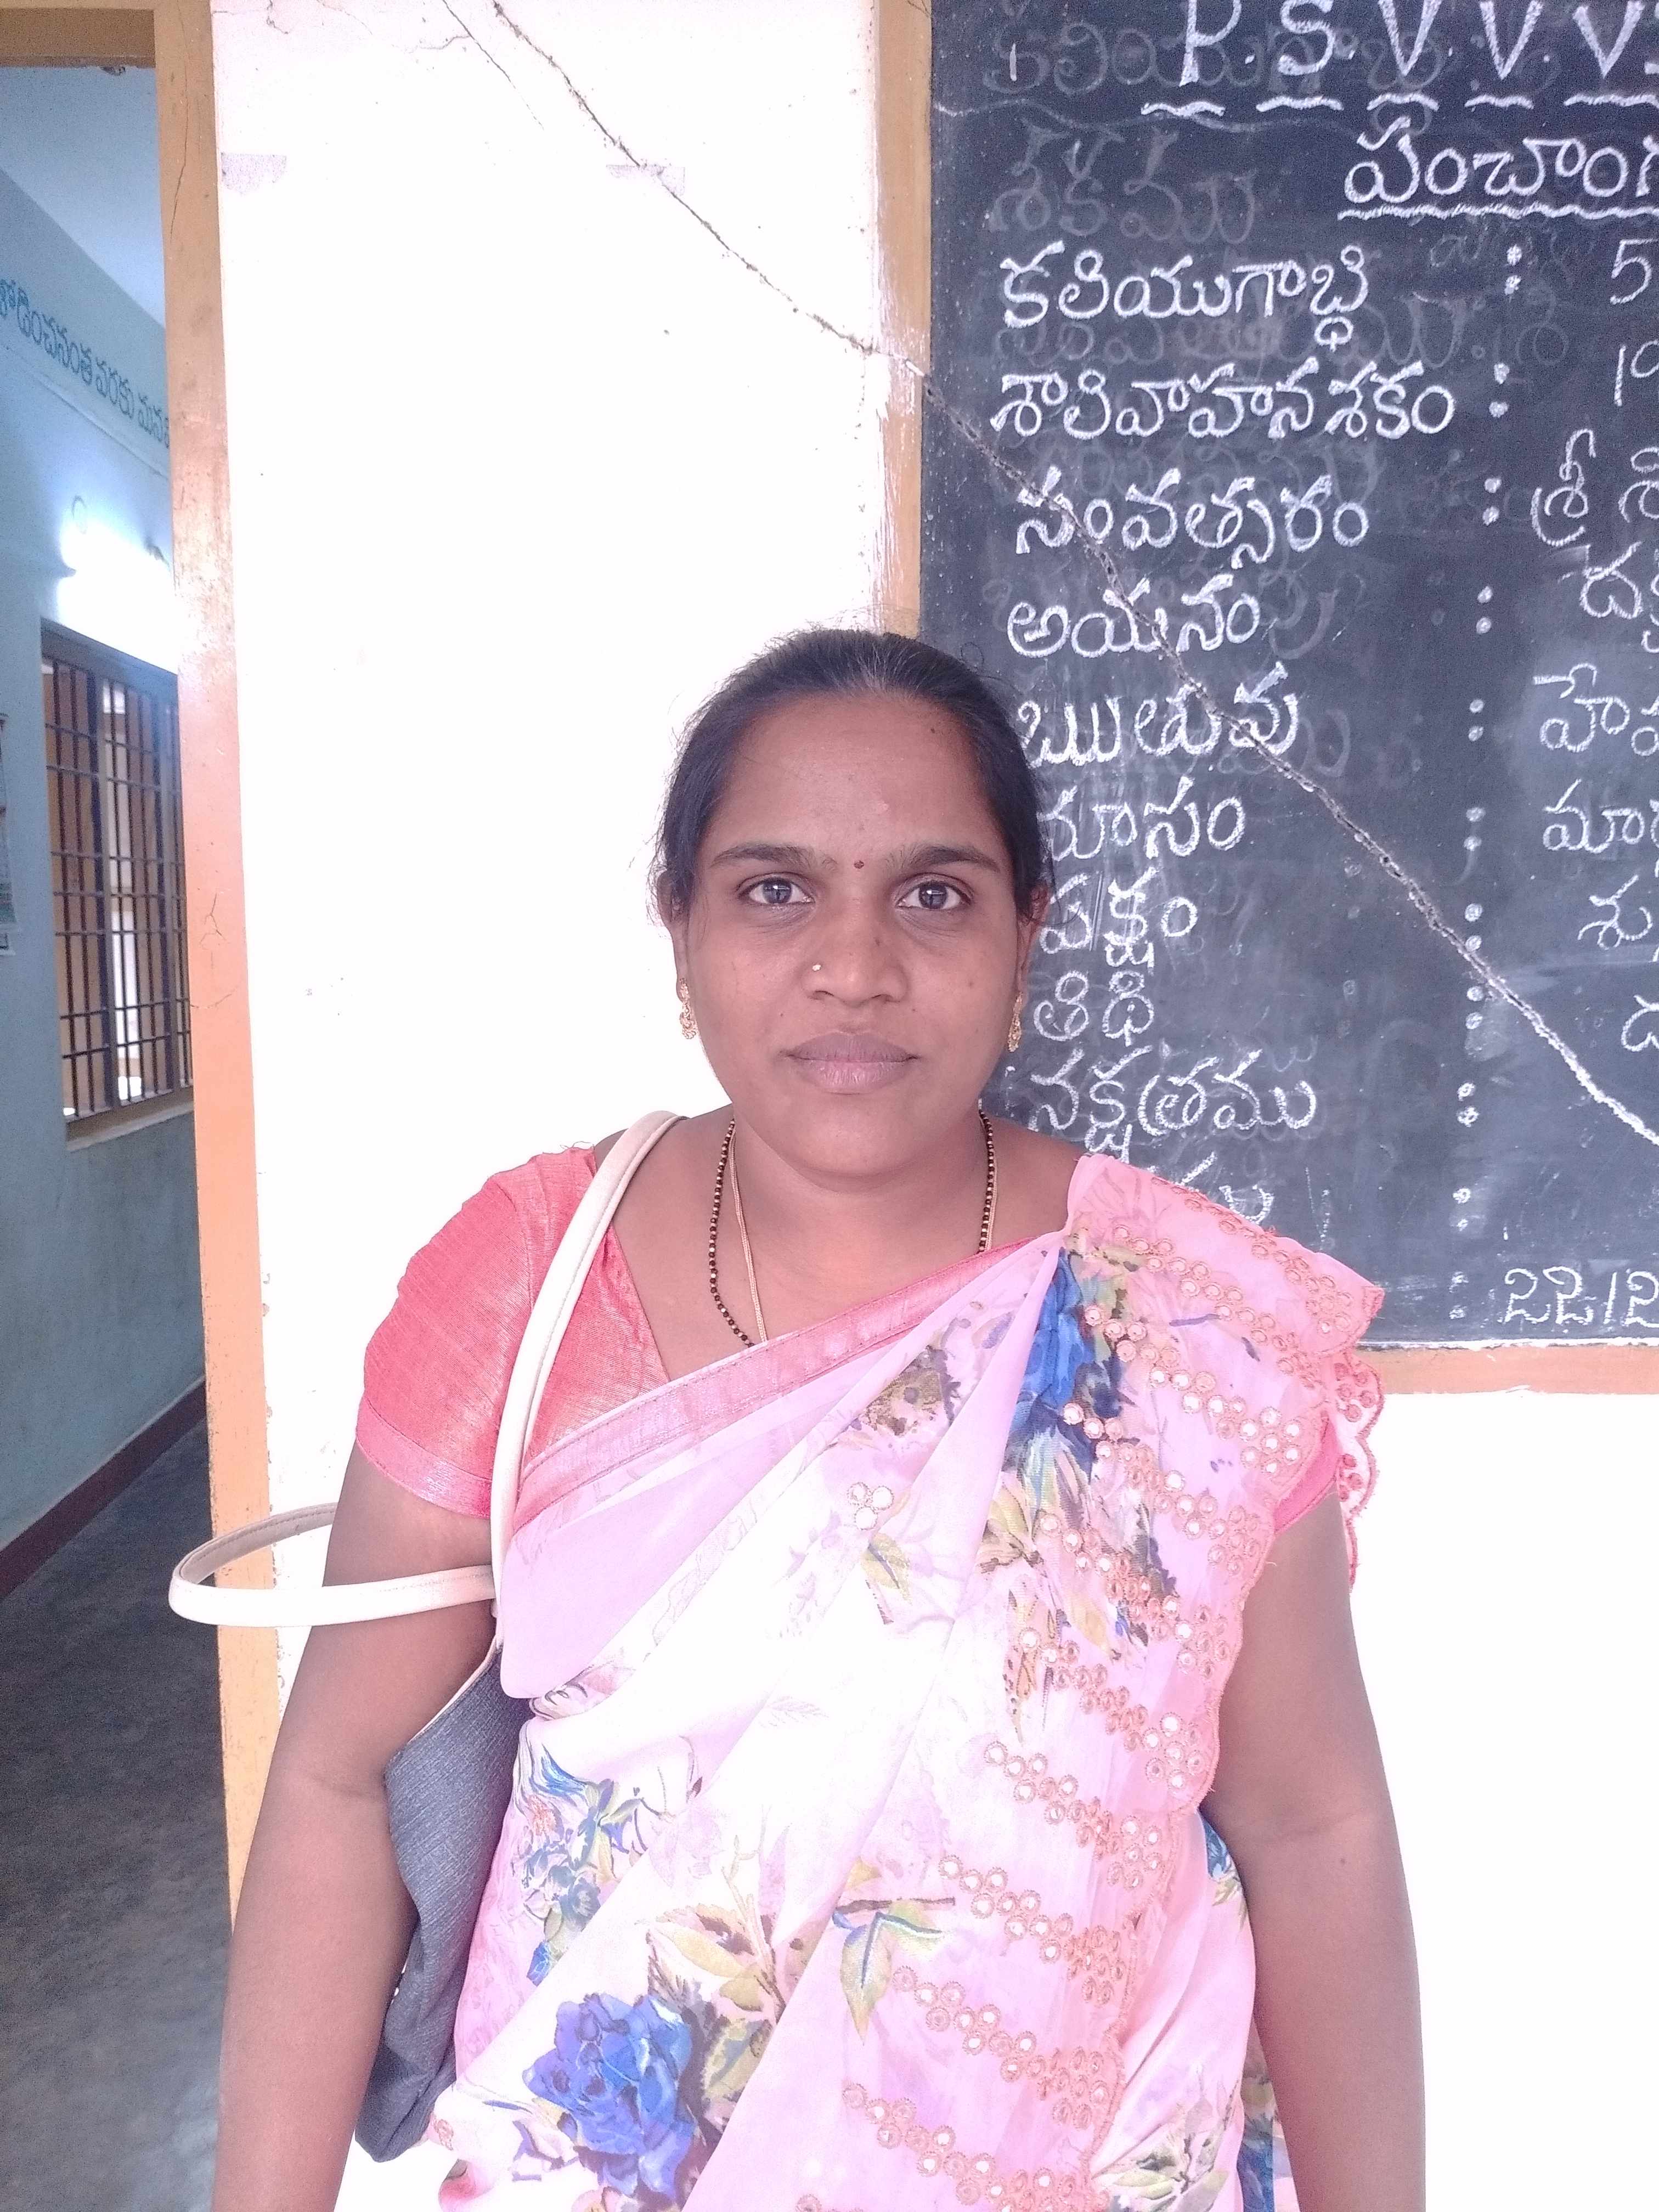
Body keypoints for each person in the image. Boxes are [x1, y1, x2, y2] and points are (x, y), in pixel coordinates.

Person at [213, 629, 1423, 2212]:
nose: (856, 967)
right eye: (775, 890)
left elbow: (1313, 1825)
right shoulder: (526, 1282)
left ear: (1028, 930)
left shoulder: (1188, 1325)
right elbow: (336, 1783)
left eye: (936, 895)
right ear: (682, 931)